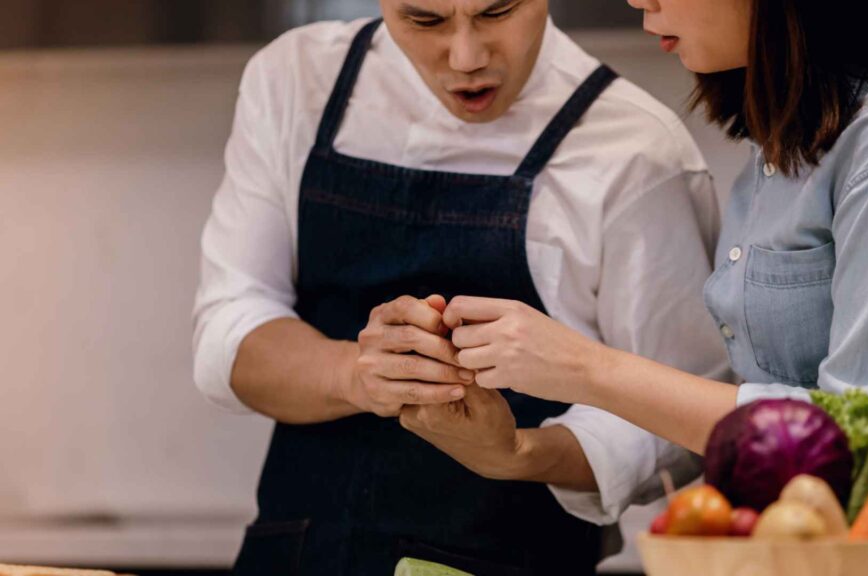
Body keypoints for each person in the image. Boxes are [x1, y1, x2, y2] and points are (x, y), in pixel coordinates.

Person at [399, 0, 868, 527]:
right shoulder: (800, 131)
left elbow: (866, 448)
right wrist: (516, 450)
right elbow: (740, 406)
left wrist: (581, 368)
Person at [191, 0, 728, 572]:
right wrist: (357, 375)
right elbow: (229, 326)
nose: (466, 57)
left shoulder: (634, 150)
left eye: (497, 13)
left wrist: (518, 454)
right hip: (299, 553)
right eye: (425, 21)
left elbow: (678, 419)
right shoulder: (294, 82)